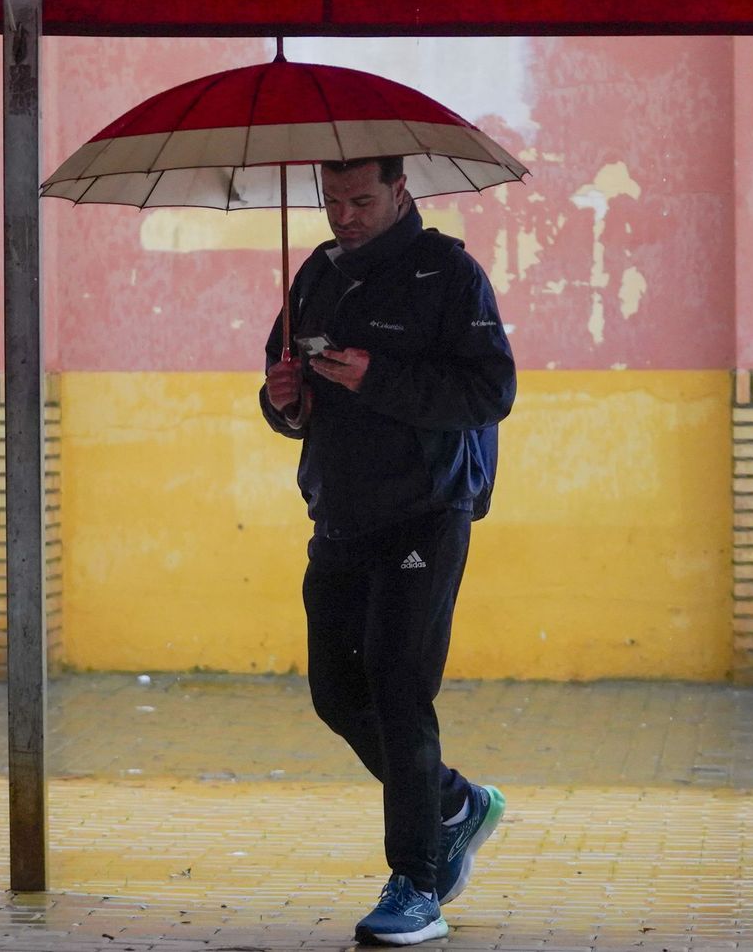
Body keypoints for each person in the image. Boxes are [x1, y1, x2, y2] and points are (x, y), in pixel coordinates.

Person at [259, 155, 517, 946]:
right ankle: (453, 803)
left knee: (401, 690)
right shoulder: (316, 274)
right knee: (338, 692)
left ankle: (418, 885)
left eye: (360, 199)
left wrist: (378, 377)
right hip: (339, 512)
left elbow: (490, 393)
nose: (344, 216)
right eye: (332, 201)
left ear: (401, 190)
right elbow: (287, 398)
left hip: (427, 512)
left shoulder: (449, 274)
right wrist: (285, 403)